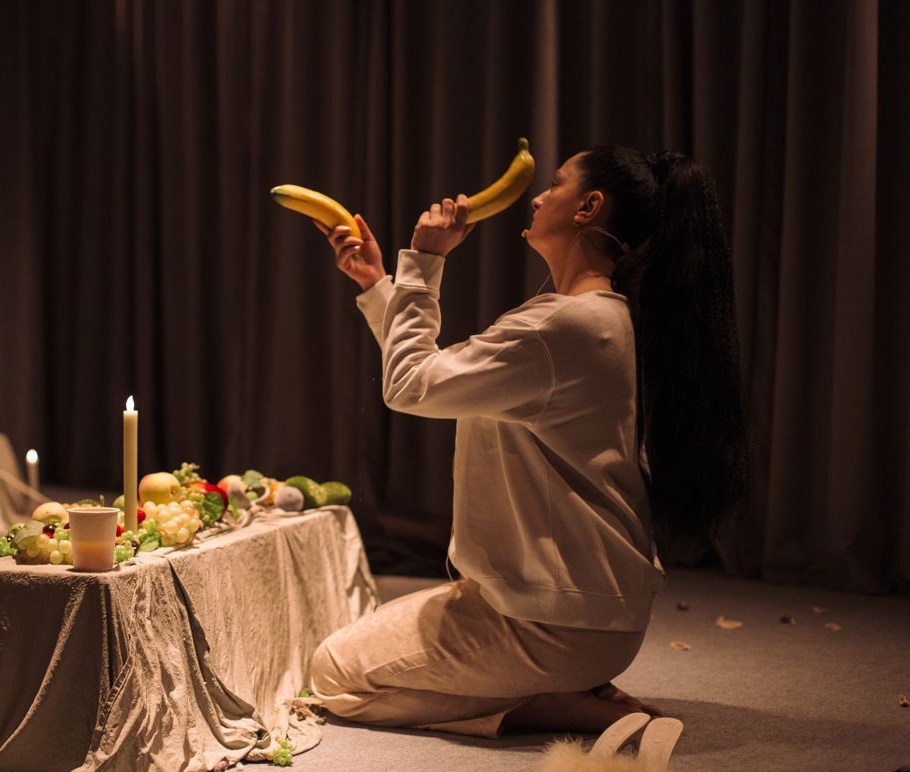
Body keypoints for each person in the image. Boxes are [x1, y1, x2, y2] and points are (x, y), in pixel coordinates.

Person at [306, 146, 748, 737]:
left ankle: (541, 704)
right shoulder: (595, 318)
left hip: (553, 622)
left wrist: (425, 261)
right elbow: (440, 377)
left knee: (332, 672)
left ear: (589, 206)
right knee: (366, 647)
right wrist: (377, 284)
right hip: (587, 616)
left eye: (557, 184)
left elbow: (409, 385)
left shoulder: (559, 325)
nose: (539, 197)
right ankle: (564, 685)